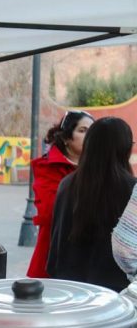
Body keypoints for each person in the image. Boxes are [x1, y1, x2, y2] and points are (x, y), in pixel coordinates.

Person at [46, 117, 136, 292]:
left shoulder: (66, 185)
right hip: (117, 296)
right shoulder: (132, 189)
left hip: (71, 290)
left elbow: (56, 245)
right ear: (125, 148)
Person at [27, 110, 94, 278]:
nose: (90, 136)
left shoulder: (98, 168)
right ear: (65, 138)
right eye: (82, 130)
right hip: (55, 255)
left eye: (93, 132)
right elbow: (51, 212)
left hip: (89, 259)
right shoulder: (48, 167)